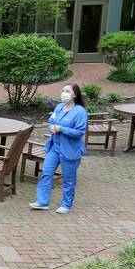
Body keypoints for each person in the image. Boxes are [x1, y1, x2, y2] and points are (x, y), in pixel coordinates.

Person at [29, 83, 88, 214]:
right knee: (46, 173)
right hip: (54, 148)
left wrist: (61, 129)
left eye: (67, 91)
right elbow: (51, 122)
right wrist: (51, 128)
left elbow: (79, 132)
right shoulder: (59, 107)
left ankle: (66, 204)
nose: (64, 93)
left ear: (74, 94)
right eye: (63, 90)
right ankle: (42, 202)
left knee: (68, 179)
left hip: (70, 151)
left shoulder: (80, 112)